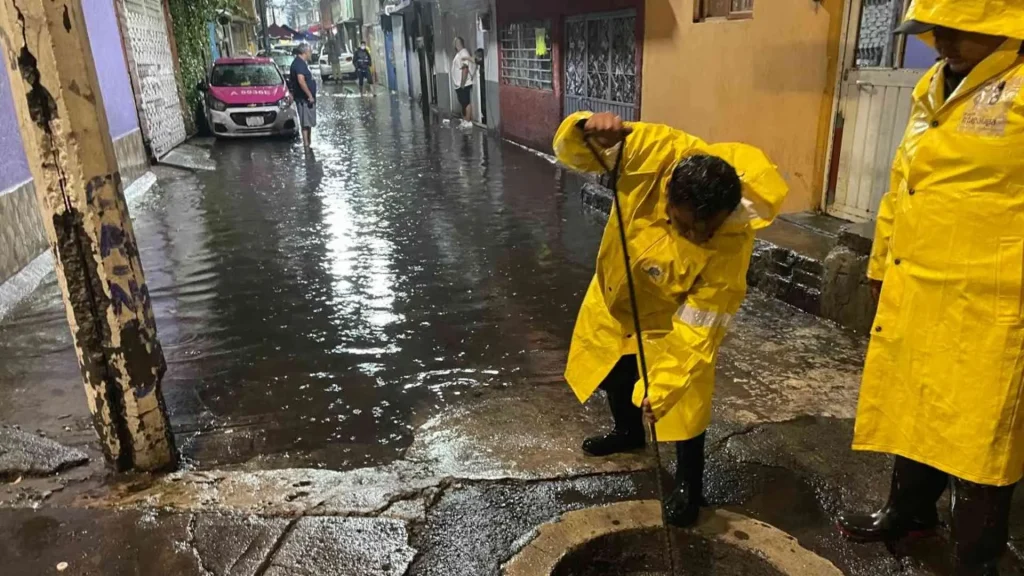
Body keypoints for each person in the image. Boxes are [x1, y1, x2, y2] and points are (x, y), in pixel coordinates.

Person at [835, 0, 1024, 573]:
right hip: (918, 283)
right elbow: (903, 181)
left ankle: (979, 557)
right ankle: (910, 512)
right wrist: (881, 262)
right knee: (915, 403)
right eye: (933, 29)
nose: (939, 41)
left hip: (992, 297)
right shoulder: (933, 85)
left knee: (981, 436)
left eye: (953, 30)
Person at [554, 111, 788, 527]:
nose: (695, 238)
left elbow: (699, 331)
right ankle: (627, 433)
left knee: (683, 404)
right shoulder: (651, 150)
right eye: (684, 225)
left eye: (705, 230)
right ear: (669, 194)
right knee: (615, 372)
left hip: (670, 318)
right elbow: (574, 154)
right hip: (617, 295)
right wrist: (585, 129)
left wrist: (661, 388)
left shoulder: (731, 247)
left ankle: (689, 485)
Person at [289, 43, 317, 149]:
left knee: (308, 123)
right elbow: (301, 81)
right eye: (310, 51)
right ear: (305, 52)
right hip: (304, 99)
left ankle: (308, 144)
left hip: (305, 98)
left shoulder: (301, 63)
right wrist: (309, 95)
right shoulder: (299, 64)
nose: (311, 54)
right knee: (305, 123)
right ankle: (306, 145)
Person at [451, 37, 476, 130]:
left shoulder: (464, 53)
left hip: (464, 83)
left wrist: (462, 83)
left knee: (466, 102)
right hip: (459, 84)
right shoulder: (460, 54)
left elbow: (465, 69)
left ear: (458, 44)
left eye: (455, 43)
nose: (454, 45)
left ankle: (468, 121)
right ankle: (465, 119)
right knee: (463, 102)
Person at [475, 48, 487, 125]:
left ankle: (485, 116)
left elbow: (476, 61)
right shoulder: (481, 63)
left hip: (484, 85)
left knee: (484, 100)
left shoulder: (483, 62)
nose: (477, 57)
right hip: (482, 85)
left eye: (478, 56)